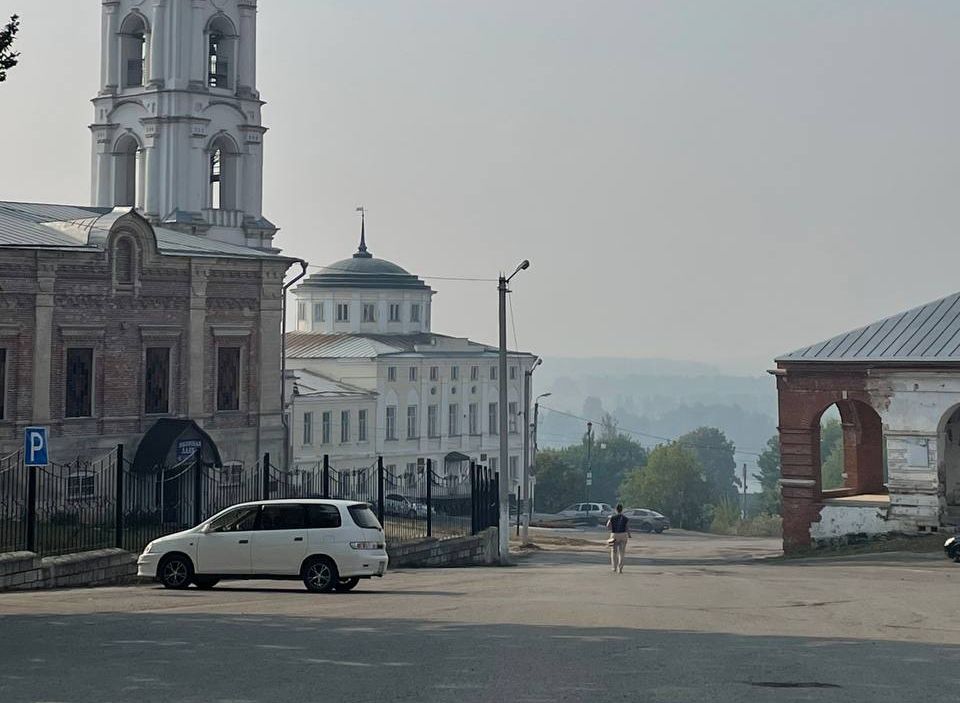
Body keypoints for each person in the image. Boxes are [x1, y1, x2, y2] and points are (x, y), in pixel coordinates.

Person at [606, 504, 631, 573]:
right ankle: (620, 568)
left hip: (614, 535)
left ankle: (614, 567)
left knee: (614, 551)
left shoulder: (612, 517)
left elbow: (608, 526)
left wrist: (612, 529)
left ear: (616, 510)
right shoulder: (625, 518)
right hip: (623, 535)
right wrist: (629, 534)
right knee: (622, 552)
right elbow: (627, 527)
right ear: (622, 510)